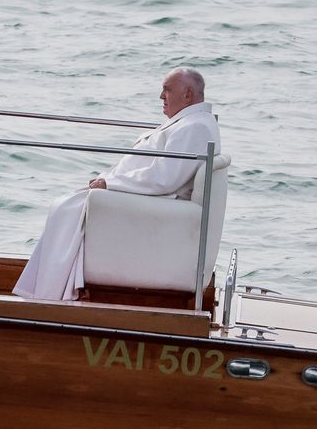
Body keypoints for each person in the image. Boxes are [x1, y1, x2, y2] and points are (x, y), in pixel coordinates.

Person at [13, 67, 221, 301]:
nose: (161, 96)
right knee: (66, 206)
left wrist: (110, 184)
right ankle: (60, 287)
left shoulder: (195, 127)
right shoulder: (188, 122)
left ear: (187, 95)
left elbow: (164, 178)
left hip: (152, 200)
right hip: (140, 194)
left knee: (67, 207)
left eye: (166, 90)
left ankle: (53, 293)